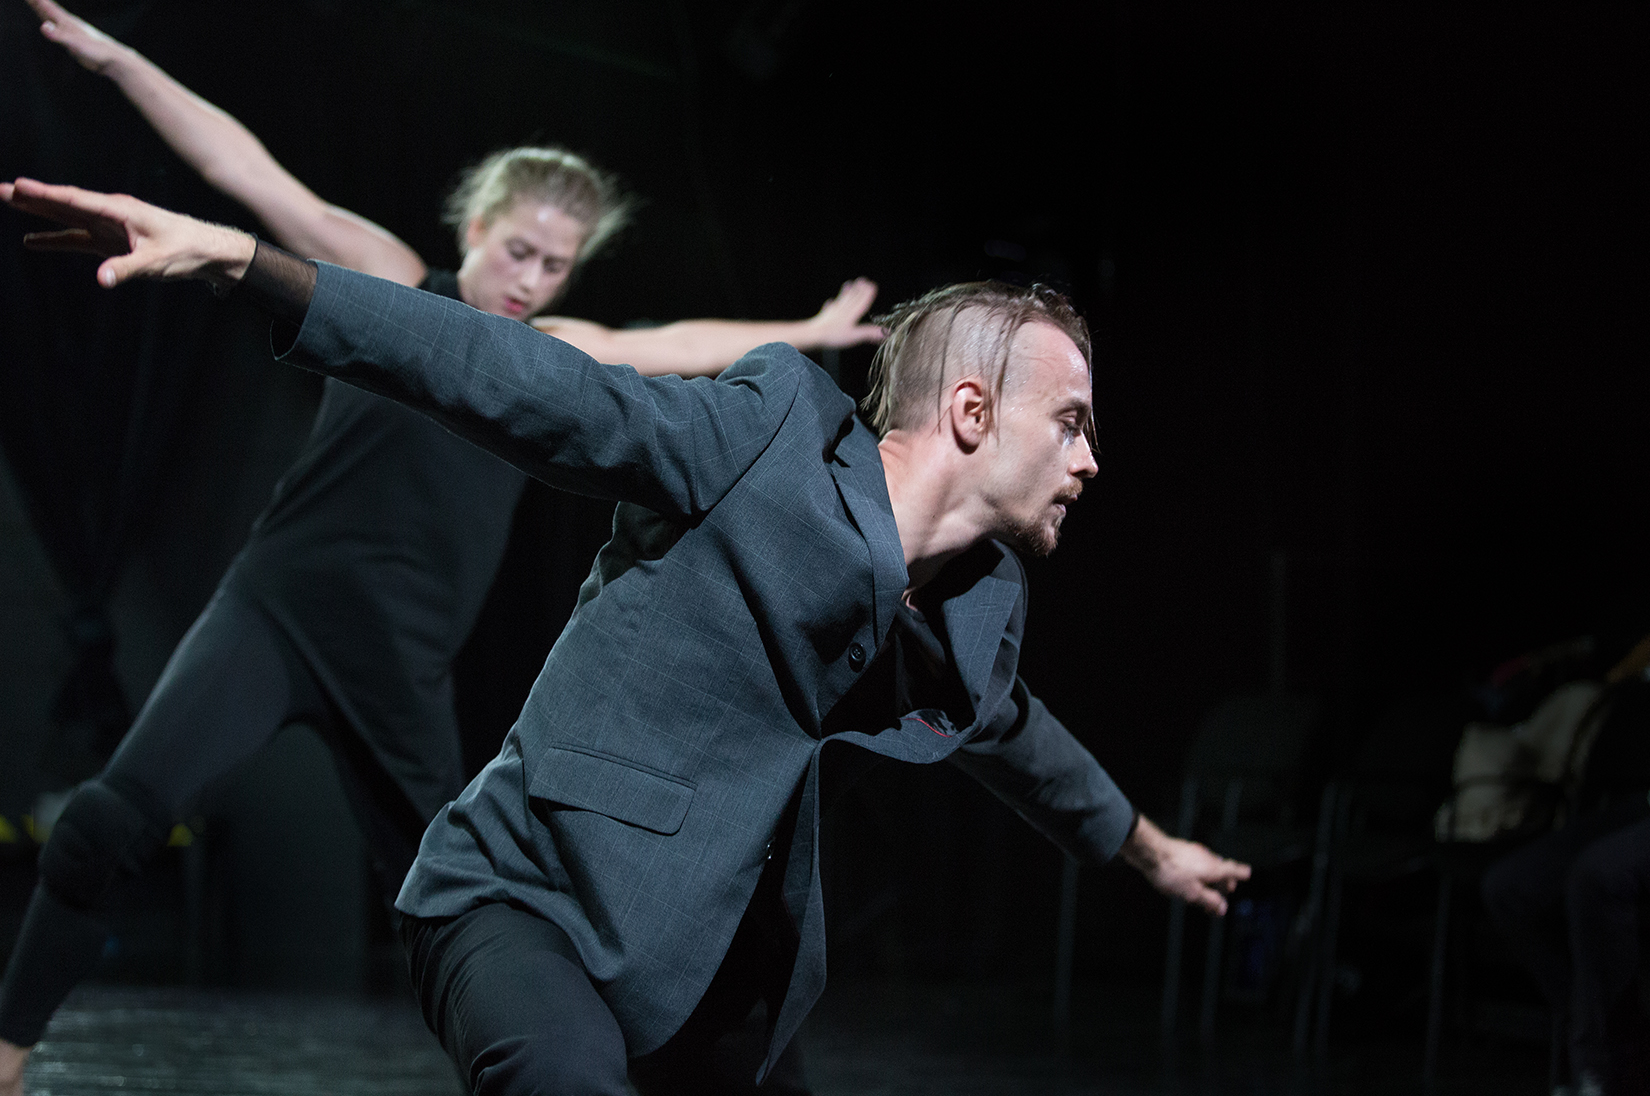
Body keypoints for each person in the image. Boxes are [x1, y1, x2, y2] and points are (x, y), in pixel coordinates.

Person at [0, 177, 1253, 1095]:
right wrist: (240, 264)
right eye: (1072, 420)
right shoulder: (762, 441)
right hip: (523, 905)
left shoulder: (972, 600)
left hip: (712, 969)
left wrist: (1146, 847)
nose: (1092, 458)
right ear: (972, 411)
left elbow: (1009, 727)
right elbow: (511, 377)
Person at [0, 1, 882, 1092]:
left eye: (555, 265)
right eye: (518, 249)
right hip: (276, 611)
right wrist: (120, 61)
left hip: (402, 669)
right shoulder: (390, 280)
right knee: (102, 825)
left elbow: (673, 345)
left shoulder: (553, 355)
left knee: (483, 917)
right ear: (475, 226)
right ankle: (8, 1050)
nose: (530, 279)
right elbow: (251, 174)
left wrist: (811, 333)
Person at [1481, 644, 1650, 1096]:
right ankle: (1618, 1042)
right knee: (1510, 888)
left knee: (1600, 876)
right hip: (1638, 804)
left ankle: (1601, 1067)